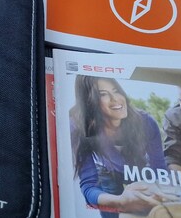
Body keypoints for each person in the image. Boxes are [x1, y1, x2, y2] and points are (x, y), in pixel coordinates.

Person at [71, 76, 171, 217]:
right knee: (111, 210)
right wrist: (120, 202)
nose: (115, 99)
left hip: (139, 169)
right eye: (103, 94)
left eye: (116, 91)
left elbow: (160, 170)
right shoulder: (78, 127)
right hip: (108, 170)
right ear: (88, 102)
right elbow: (89, 186)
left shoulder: (146, 122)